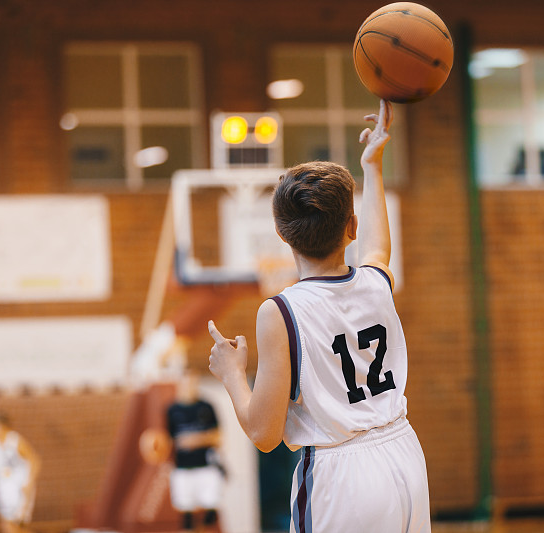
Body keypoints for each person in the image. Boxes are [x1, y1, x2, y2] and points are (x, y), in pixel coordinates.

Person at [208, 100, 430, 533]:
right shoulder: (376, 282)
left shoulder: (281, 311)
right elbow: (377, 248)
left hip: (340, 474)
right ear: (350, 226)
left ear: (279, 233)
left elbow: (264, 434)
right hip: (404, 454)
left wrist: (232, 374)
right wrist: (373, 165)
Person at [166, 368, 224, 532]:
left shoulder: (206, 407)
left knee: (210, 514)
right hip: (183, 469)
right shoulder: (172, 410)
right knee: (187, 517)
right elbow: (168, 439)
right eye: (186, 382)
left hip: (206, 467)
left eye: (193, 382)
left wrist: (195, 440)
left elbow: (218, 437)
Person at [0, 412, 41, 533]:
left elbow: (35, 460)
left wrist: (29, 481)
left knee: (17, 526)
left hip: (19, 485)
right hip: (3, 486)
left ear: (3, 427)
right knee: (6, 524)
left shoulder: (15, 441)